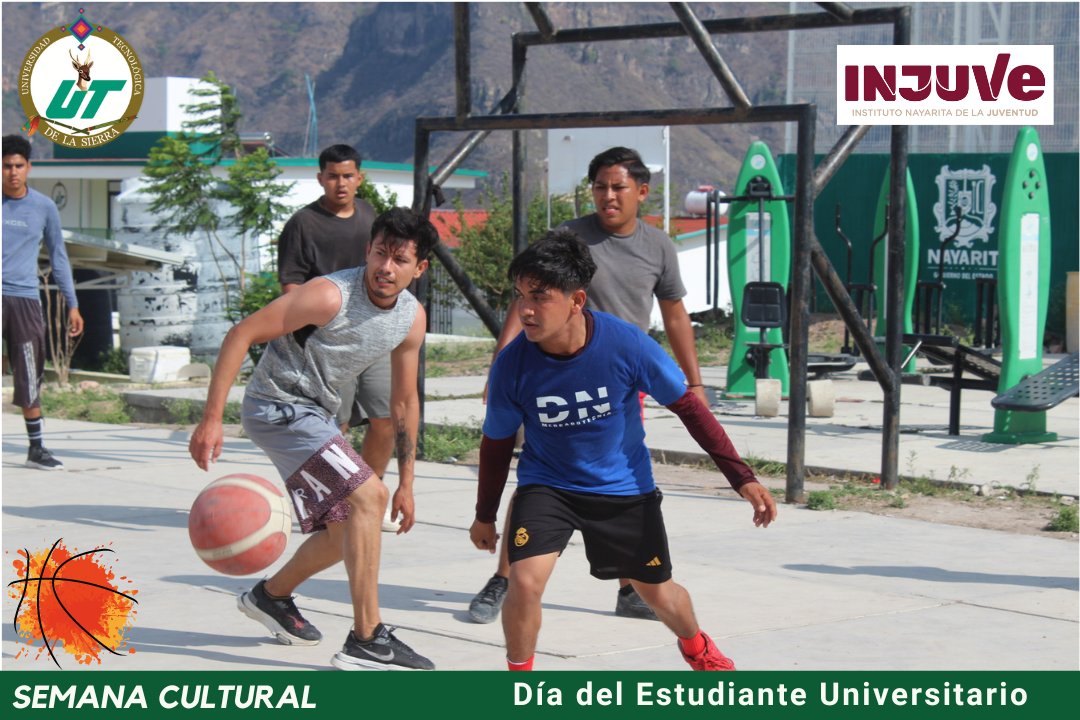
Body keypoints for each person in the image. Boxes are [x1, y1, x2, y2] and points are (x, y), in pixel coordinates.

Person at [469, 230, 776, 671]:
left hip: (622, 489)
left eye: (540, 296)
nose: (526, 310)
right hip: (548, 487)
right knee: (525, 581)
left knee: (659, 592)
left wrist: (741, 477)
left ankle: (697, 648)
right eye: (519, 296)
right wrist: (485, 514)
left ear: (576, 300)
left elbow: (689, 408)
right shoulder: (512, 365)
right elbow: (496, 444)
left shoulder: (626, 344)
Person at [189, 207, 438, 670]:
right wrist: (211, 419)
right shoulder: (329, 296)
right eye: (380, 253)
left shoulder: (411, 318)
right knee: (368, 496)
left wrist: (408, 481)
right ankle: (368, 638)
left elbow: (404, 401)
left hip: (316, 414)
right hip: (277, 406)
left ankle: (271, 597)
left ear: (419, 268)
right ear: (368, 249)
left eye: (400, 260)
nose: (386, 267)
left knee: (344, 530)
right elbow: (242, 333)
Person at [469, 146, 707, 623]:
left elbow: (675, 313)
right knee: (540, 475)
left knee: (619, 478)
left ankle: (630, 586)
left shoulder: (658, 246)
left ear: (642, 191)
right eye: (599, 186)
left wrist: (694, 382)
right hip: (552, 377)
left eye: (618, 187)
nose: (608, 196)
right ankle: (505, 577)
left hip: (622, 380)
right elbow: (527, 301)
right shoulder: (569, 237)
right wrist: (502, 363)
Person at [277, 144, 400, 533]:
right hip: (328, 346)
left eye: (347, 175)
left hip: (374, 336)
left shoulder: (370, 218)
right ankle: (331, 504)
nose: (340, 182)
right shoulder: (303, 224)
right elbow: (290, 288)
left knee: (385, 420)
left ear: (359, 178)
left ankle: (368, 496)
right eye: (332, 175)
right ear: (320, 178)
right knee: (334, 428)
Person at [2, 134, 84, 470]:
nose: (12, 172)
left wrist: (72, 303)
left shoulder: (43, 207)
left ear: (29, 167)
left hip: (24, 300)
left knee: (29, 371)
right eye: (6, 166)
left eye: (18, 165)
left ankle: (36, 449)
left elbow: (59, 257)